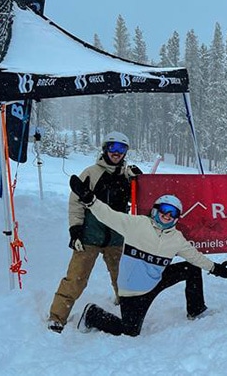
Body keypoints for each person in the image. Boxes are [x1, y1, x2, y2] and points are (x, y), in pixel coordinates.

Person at [69, 175, 227, 337]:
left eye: (173, 213)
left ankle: (196, 310)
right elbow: (108, 215)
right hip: (133, 293)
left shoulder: (176, 238)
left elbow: (195, 257)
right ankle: (92, 313)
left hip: (156, 280)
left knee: (191, 268)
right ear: (155, 210)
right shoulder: (138, 224)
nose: (167, 215)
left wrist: (215, 268)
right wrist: (90, 200)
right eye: (164, 210)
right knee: (130, 331)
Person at [48, 131, 142, 333]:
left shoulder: (127, 175)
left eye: (121, 149)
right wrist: (75, 230)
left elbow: (139, 202)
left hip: (116, 237)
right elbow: (76, 202)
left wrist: (139, 181)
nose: (116, 153)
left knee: (123, 278)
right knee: (76, 278)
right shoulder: (92, 173)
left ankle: (125, 307)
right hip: (90, 236)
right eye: (113, 148)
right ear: (105, 149)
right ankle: (57, 317)